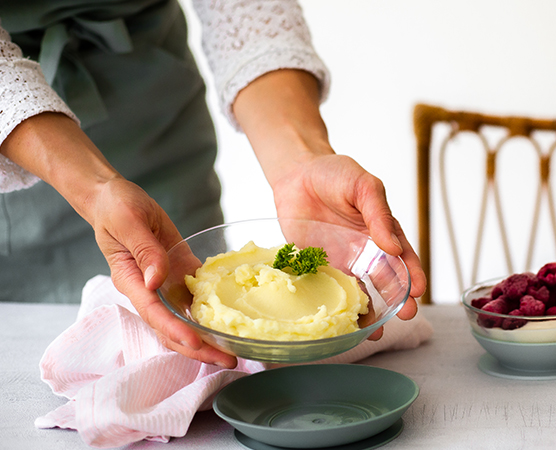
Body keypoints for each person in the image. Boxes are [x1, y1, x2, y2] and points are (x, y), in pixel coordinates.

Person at [0, 0, 425, 369]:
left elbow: (246, 9)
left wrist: (302, 160)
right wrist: (95, 188)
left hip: (158, 106)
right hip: (17, 144)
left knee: (181, 310)